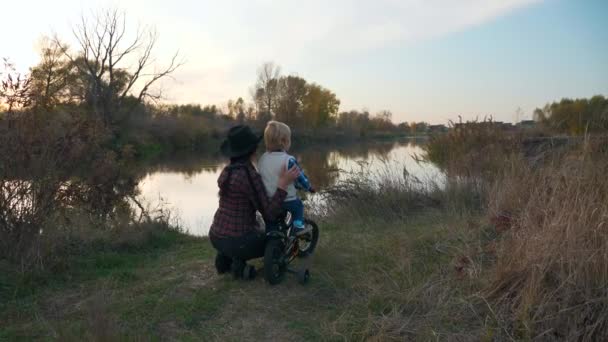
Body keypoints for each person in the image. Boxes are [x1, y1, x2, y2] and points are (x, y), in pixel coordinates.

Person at [208, 125, 300, 279]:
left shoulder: (227, 171)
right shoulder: (249, 176)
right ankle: (239, 266)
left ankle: (227, 257)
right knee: (276, 237)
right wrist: (283, 184)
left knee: (254, 224)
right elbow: (270, 213)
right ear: (252, 150)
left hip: (216, 236)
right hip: (239, 242)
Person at [257, 121, 315, 236]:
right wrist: (308, 187)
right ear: (284, 142)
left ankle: (271, 236)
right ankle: (298, 227)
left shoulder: (262, 159)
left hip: (269, 201)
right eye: (289, 139)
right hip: (288, 200)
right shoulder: (289, 160)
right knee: (298, 206)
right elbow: (300, 178)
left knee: (271, 223)